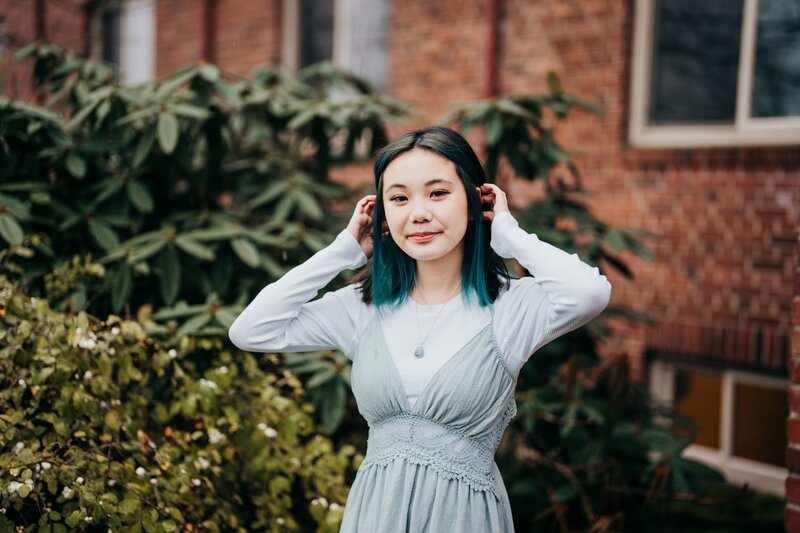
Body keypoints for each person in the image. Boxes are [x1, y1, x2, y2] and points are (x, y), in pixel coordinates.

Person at [228, 125, 612, 532]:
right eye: (399, 198)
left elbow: (588, 293)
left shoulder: (512, 307)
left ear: (472, 200)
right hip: (374, 517)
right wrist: (342, 251)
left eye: (438, 193)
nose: (419, 213)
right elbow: (252, 330)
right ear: (384, 217)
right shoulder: (362, 308)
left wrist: (508, 235)